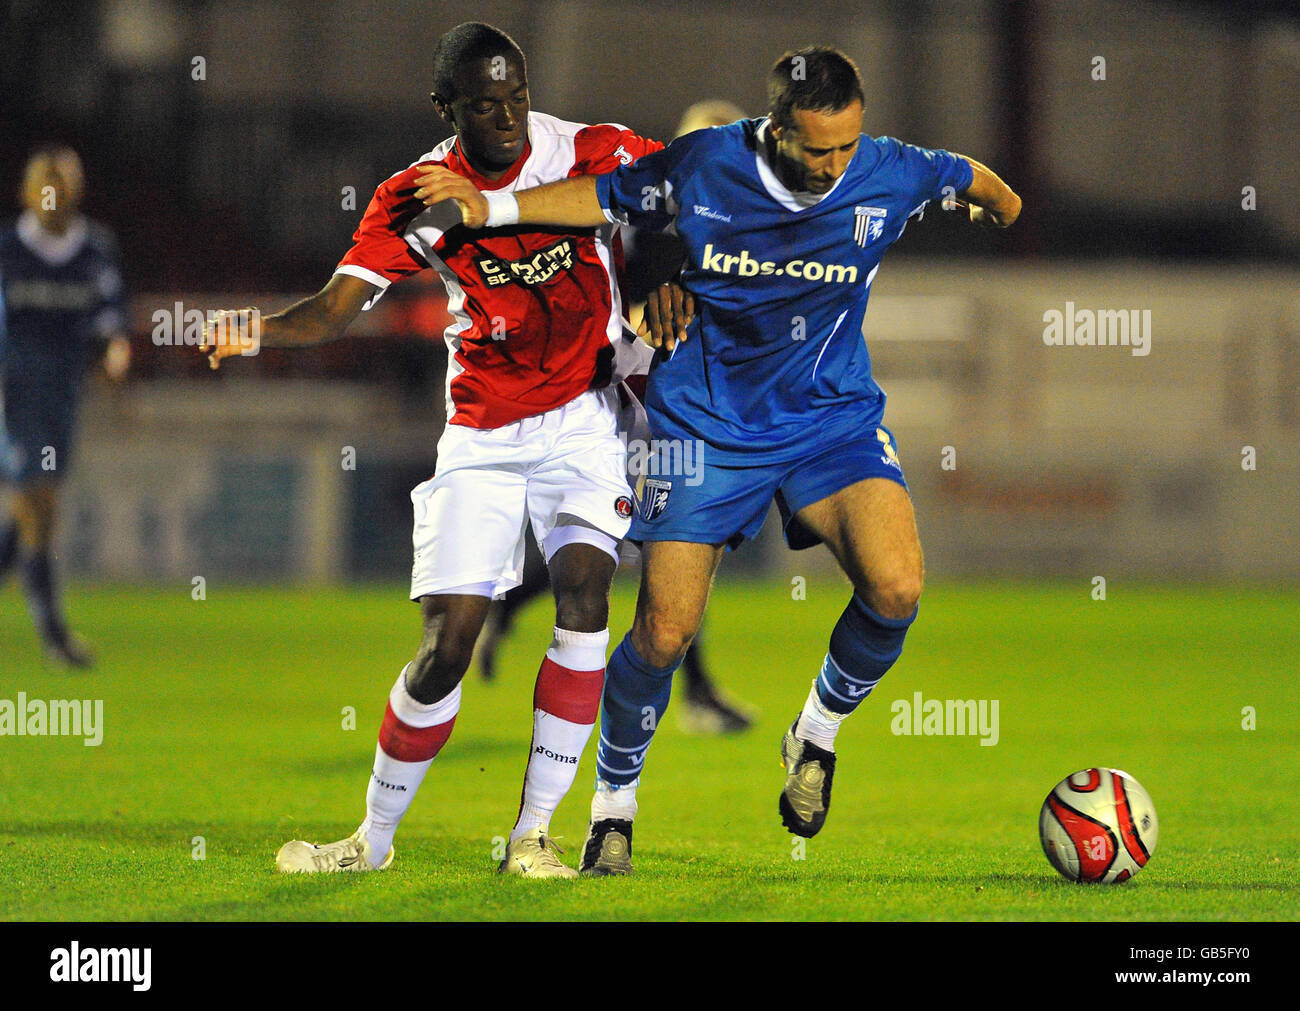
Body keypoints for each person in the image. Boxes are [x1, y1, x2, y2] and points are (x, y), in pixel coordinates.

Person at [413, 45, 1021, 875]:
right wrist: (488, 209)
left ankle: (815, 732)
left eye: (847, 146)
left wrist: (1001, 206)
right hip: (699, 426)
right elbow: (601, 198)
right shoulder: (707, 165)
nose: (834, 166)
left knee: (897, 585)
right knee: (664, 632)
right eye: (816, 150)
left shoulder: (889, 171)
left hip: (827, 419)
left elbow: (979, 181)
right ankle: (612, 807)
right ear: (775, 131)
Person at [200, 22, 686, 877]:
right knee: (446, 644)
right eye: (484, 105)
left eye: (516, 98)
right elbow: (333, 308)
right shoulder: (412, 196)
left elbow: (682, 185)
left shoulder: (589, 150)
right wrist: (254, 330)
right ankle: (370, 842)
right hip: (483, 432)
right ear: (445, 108)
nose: (506, 118)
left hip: (587, 415)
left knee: (584, 594)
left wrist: (670, 270)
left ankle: (533, 835)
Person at [473, 98, 755, 737]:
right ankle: (682, 696)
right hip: (639, 408)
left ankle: (511, 607)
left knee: (652, 547)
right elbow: (644, 323)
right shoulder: (656, 228)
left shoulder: (704, 224)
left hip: (677, 408)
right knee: (661, 546)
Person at [0, 146, 131, 668]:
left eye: (63, 183)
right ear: (25, 192)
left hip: (63, 395)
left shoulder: (96, 249)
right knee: (41, 503)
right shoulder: (7, 250)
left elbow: (110, 318)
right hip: (13, 394)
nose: (53, 195)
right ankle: (54, 633)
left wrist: (116, 356)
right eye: (43, 183)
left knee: (34, 511)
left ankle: (49, 623)